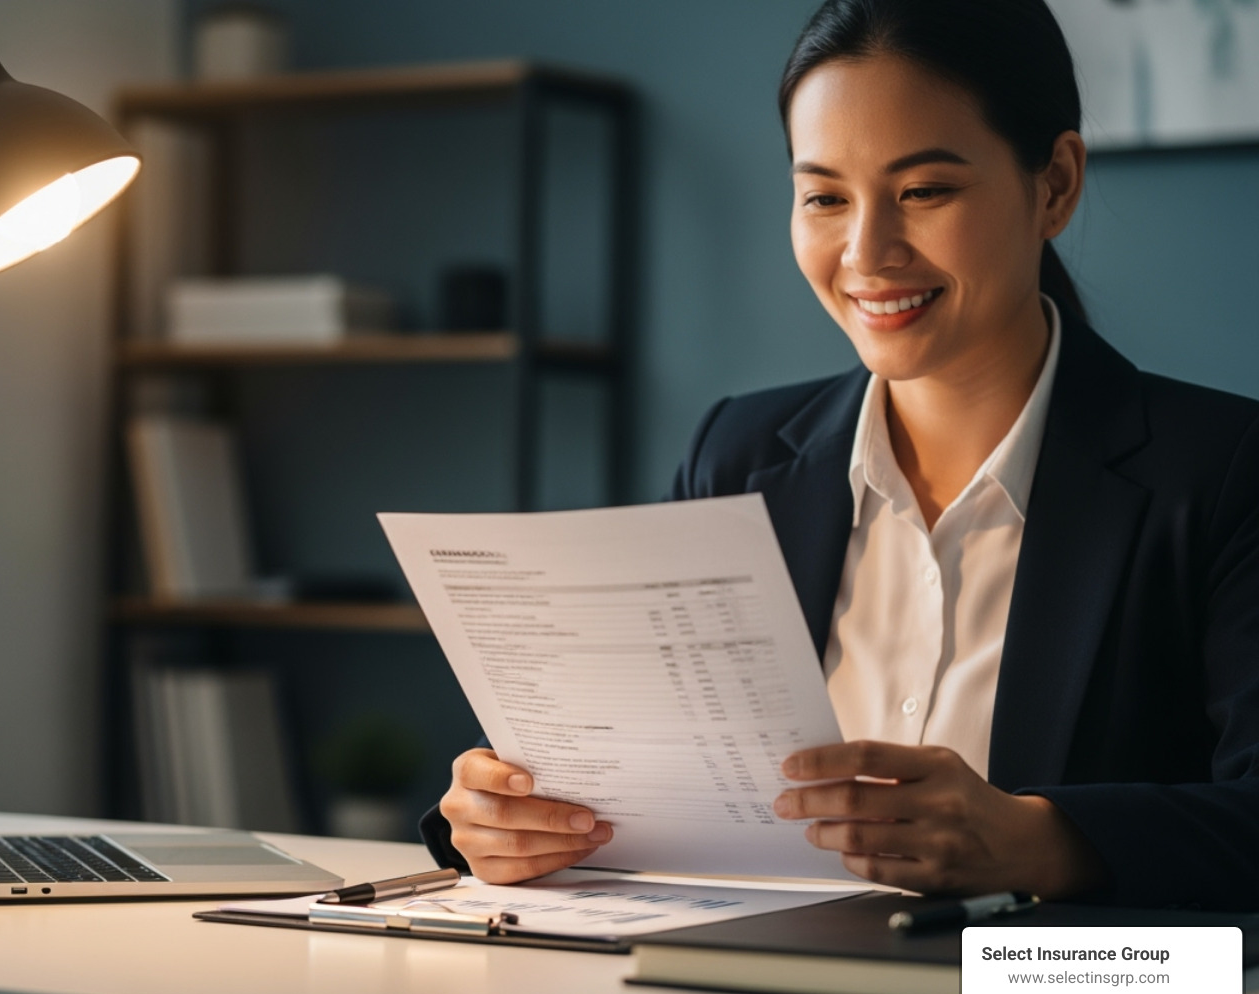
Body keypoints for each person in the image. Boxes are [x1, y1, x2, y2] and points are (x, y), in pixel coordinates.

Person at [419, 0, 1259, 911]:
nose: (867, 252)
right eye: (824, 196)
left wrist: (1037, 841)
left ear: (1054, 183)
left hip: (1070, 991)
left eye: (924, 191)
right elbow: (639, 790)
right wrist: (505, 821)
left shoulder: (1222, 472)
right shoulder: (737, 456)